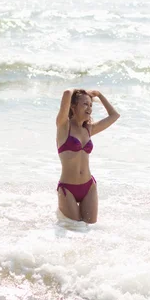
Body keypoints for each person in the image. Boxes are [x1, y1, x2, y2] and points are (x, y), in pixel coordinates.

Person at [56, 88, 120, 223]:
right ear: (73, 106)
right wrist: (81, 91)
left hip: (88, 186)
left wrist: (100, 95)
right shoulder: (63, 126)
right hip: (68, 189)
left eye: (91, 105)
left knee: (90, 229)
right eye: (85, 104)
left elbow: (114, 115)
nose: (89, 108)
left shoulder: (88, 129)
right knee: (74, 228)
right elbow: (67, 93)